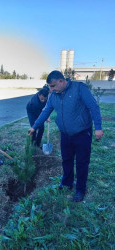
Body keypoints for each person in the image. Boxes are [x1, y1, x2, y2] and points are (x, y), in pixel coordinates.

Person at [28, 70, 103, 202]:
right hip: (66, 135)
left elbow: (93, 106)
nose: (51, 89)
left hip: (82, 133)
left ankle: (80, 190)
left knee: (81, 162)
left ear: (62, 81)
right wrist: (34, 126)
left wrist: (98, 127)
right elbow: (46, 112)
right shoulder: (53, 96)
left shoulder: (79, 88)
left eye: (53, 86)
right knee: (66, 160)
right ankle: (67, 183)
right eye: (50, 86)